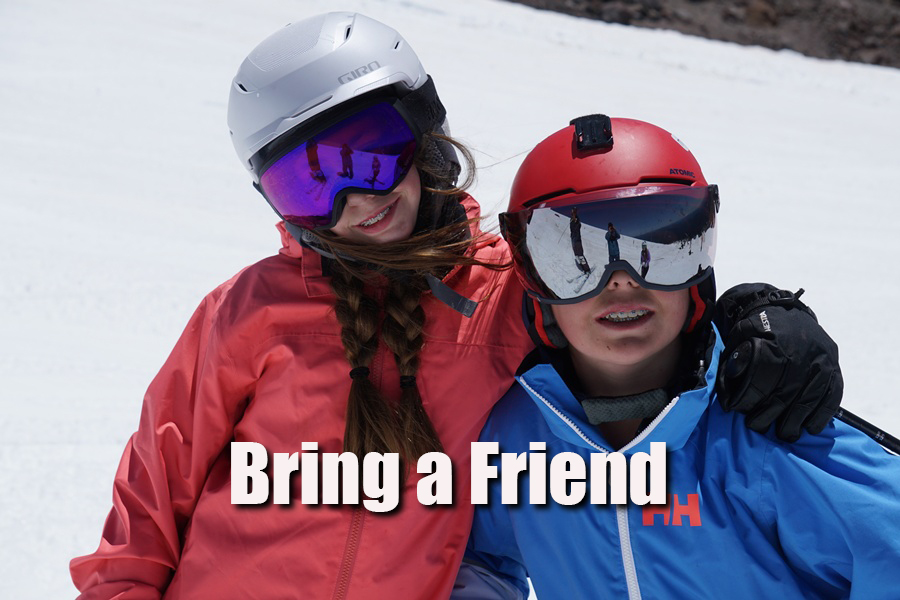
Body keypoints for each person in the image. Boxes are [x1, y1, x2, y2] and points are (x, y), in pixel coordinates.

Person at [69, 15, 843, 600]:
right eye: (310, 183)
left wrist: (754, 315)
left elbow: (635, 292)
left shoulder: (508, 292)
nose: (356, 199)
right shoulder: (246, 312)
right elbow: (151, 499)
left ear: (425, 131)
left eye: (373, 152)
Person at [456, 116, 900, 599]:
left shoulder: (766, 431)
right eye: (577, 260)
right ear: (534, 280)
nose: (621, 280)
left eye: (659, 250)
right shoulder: (517, 440)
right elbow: (482, 557)